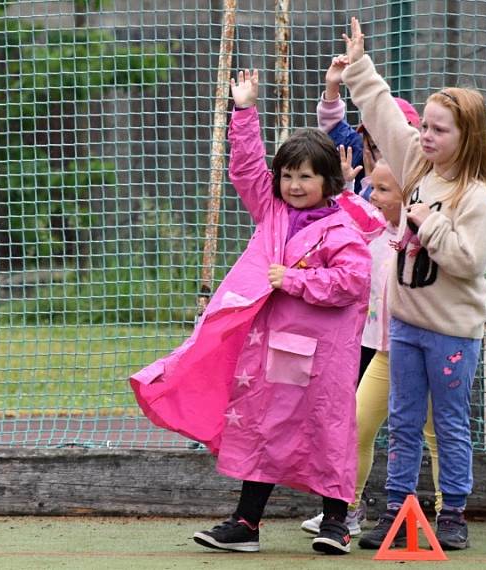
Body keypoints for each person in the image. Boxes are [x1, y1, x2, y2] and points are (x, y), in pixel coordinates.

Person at [163, 69, 372, 556]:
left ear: (329, 180)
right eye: (288, 175)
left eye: (306, 176)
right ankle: (245, 522)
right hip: (279, 349)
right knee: (265, 425)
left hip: (328, 356)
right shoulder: (272, 211)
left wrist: (294, 279)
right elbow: (246, 169)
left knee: (329, 427)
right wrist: (244, 111)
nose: (295, 185)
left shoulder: (342, 227)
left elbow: (354, 282)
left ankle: (336, 523)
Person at [340, 18, 486, 551]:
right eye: (424, 127)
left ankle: (452, 512)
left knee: (449, 424)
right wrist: (360, 67)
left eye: (438, 130)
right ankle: (396, 511)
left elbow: (469, 261)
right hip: (405, 327)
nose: (425, 137)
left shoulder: (474, 196)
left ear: (466, 137)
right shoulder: (416, 167)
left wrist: (425, 222)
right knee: (403, 422)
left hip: (451, 334)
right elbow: (385, 116)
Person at [300, 158, 443, 539]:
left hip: (423, 349)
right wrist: (344, 189)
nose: (373, 196)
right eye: (372, 188)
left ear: (409, 193)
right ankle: (347, 509)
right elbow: (342, 218)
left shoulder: (417, 231)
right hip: (383, 352)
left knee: (436, 434)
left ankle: (448, 514)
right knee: (356, 428)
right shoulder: (370, 228)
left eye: (383, 189)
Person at [317, 54, 423, 203]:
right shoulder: (358, 157)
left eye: (393, 143)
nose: (386, 152)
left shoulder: (422, 169)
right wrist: (332, 85)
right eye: (377, 146)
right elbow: (333, 125)